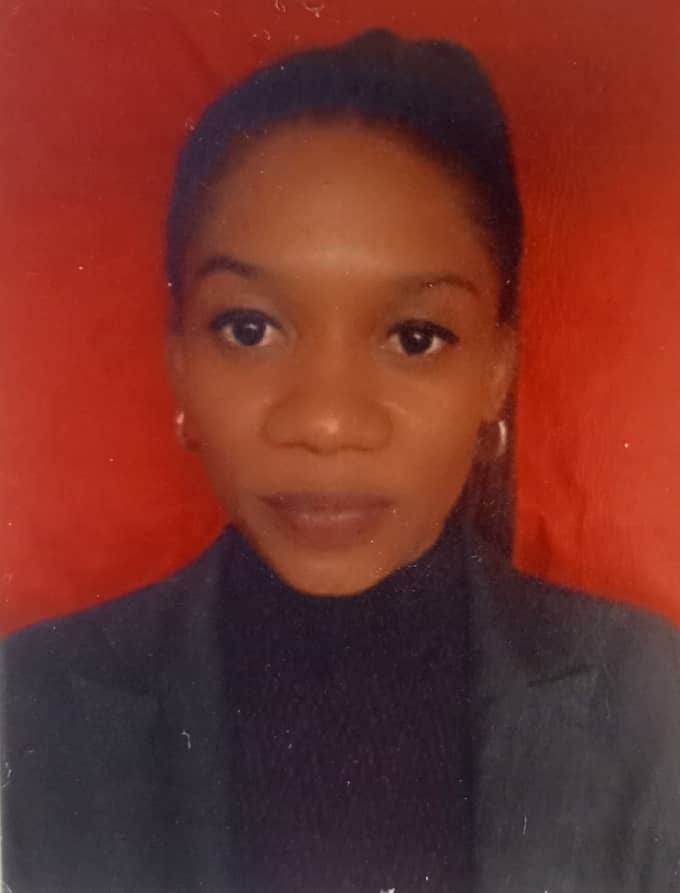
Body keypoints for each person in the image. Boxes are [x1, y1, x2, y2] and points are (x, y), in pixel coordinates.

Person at [3, 28, 680, 893]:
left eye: (415, 336)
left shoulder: (650, 702)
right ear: (179, 362)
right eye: (250, 328)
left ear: (497, 372)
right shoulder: (28, 708)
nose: (324, 422)